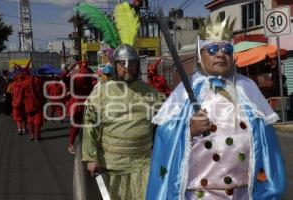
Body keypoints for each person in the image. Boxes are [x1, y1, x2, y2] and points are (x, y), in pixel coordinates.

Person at [146, 16, 286, 199]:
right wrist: (188, 130)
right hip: (200, 193)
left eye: (226, 49)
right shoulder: (187, 90)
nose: (220, 54)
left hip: (244, 193)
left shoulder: (247, 87)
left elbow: (268, 146)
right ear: (200, 55)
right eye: (212, 49)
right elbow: (165, 137)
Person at [81, 44, 162, 200]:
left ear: (137, 65)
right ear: (115, 65)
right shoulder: (101, 92)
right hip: (111, 165)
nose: (127, 67)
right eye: (122, 63)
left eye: (132, 63)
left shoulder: (151, 93)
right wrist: (91, 158)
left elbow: (165, 124)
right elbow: (89, 125)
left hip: (142, 164)